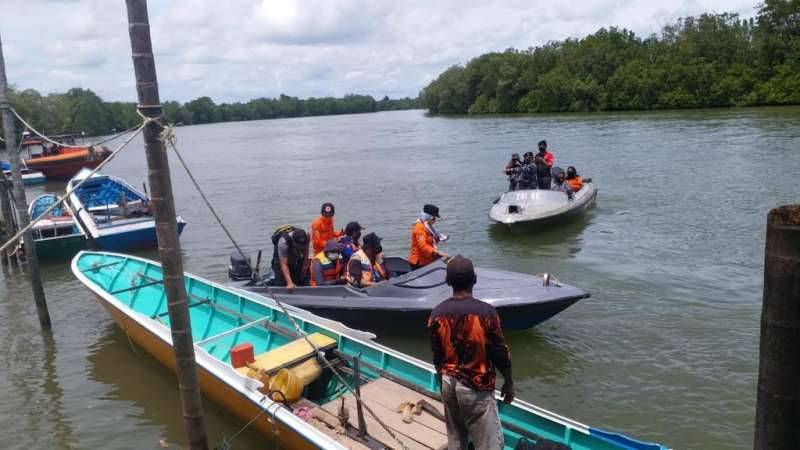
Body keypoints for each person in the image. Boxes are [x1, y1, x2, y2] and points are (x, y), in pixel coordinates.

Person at [428, 255, 513, 450]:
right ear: (474, 279)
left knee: (456, 440)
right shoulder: (486, 313)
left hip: (449, 382)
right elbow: (499, 353)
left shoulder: (436, 314)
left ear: (448, 282)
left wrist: (442, 383)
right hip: (476, 386)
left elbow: (437, 355)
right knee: (489, 445)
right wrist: (508, 382)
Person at [409, 204, 449, 270]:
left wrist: (439, 238)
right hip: (419, 262)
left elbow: (430, 240)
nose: (435, 220)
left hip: (427, 259)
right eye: (433, 218)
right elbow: (422, 246)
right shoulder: (419, 228)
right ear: (428, 217)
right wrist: (437, 252)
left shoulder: (427, 227)